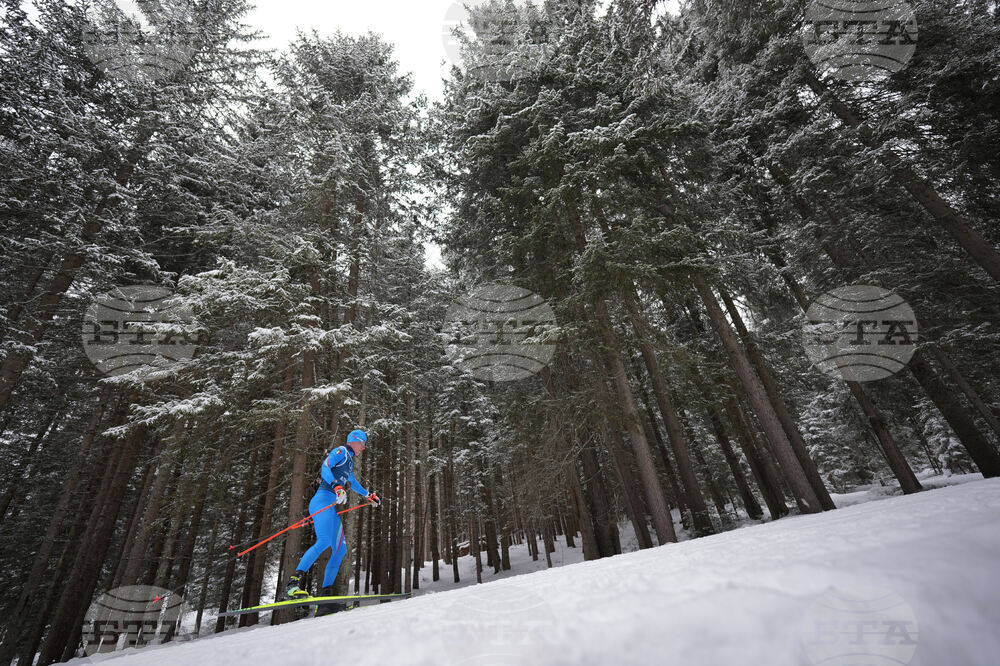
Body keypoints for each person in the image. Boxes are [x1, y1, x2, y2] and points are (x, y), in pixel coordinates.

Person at [285, 429, 381, 613]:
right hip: (321, 502)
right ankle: (292, 584)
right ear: (354, 441)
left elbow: (353, 483)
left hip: (328, 506)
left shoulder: (350, 463)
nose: (364, 447)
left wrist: (369, 495)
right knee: (324, 541)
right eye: (363, 443)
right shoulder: (341, 452)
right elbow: (325, 466)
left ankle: (325, 597)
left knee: (340, 548)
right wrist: (337, 486)